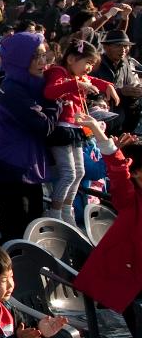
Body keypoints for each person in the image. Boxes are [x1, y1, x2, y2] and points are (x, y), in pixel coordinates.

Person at [0, 31, 56, 242]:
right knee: (15, 232)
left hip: (25, 168)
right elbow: (44, 126)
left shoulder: (30, 84)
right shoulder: (13, 89)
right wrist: (56, 99)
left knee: (29, 228)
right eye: (36, 56)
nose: (43, 62)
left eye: (44, 55)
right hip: (11, 170)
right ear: (20, 59)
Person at [73, 117, 142, 323]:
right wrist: (95, 128)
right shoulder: (129, 197)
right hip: (125, 277)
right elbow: (117, 165)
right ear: (137, 173)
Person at [44, 38, 116, 224]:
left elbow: (92, 80)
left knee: (79, 172)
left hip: (75, 129)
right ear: (71, 59)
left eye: (92, 64)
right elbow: (50, 91)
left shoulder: (79, 77)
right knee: (68, 172)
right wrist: (76, 85)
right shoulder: (58, 72)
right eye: (88, 62)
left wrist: (107, 85)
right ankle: (55, 212)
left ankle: (67, 209)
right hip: (61, 129)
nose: (89, 68)